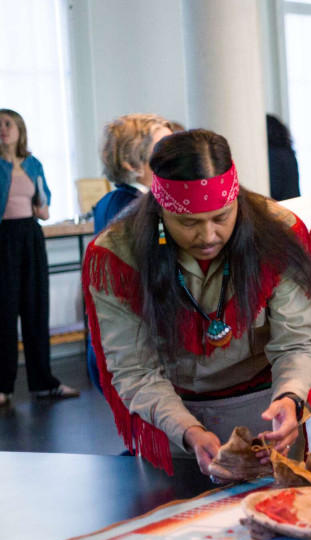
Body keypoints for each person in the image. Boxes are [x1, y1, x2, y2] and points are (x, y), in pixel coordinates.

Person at [83, 129, 311, 477]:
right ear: (161, 211)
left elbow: (298, 341)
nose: (209, 236)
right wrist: (189, 431)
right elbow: (134, 370)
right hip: (171, 423)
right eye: (189, 223)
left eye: (221, 217)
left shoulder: (277, 232)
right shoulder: (117, 255)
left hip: (266, 416)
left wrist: (290, 399)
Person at [89, 113, 178, 392]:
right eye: (163, 148)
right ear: (133, 162)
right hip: (130, 342)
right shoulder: (134, 207)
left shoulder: (112, 200)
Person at [0, 108, 80, 408]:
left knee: (35, 309)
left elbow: (43, 208)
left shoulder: (33, 164)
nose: (3, 129)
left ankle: (43, 383)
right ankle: (3, 387)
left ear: (20, 129)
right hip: (3, 237)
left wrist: (42, 204)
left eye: (8, 124)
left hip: (30, 236)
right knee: (5, 313)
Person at [93, 114, 176, 233]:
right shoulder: (143, 208)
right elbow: (160, 246)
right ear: (132, 164)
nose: (174, 158)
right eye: (164, 151)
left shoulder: (105, 201)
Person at [266, 114, 301, 201]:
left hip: (281, 206)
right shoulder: (289, 153)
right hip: (294, 203)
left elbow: (275, 188)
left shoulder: (273, 155)